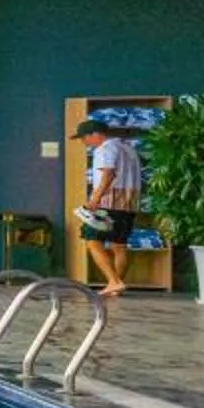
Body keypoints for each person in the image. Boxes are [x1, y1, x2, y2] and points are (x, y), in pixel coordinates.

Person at [78, 116, 147, 295]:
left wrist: (94, 200)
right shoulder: (129, 149)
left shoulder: (105, 148)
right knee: (119, 245)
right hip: (129, 204)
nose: (84, 142)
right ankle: (116, 288)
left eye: (84, 138)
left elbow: (107, 175)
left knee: (92, 241)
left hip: (108, 204)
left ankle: (114, 281)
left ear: (95, 134)